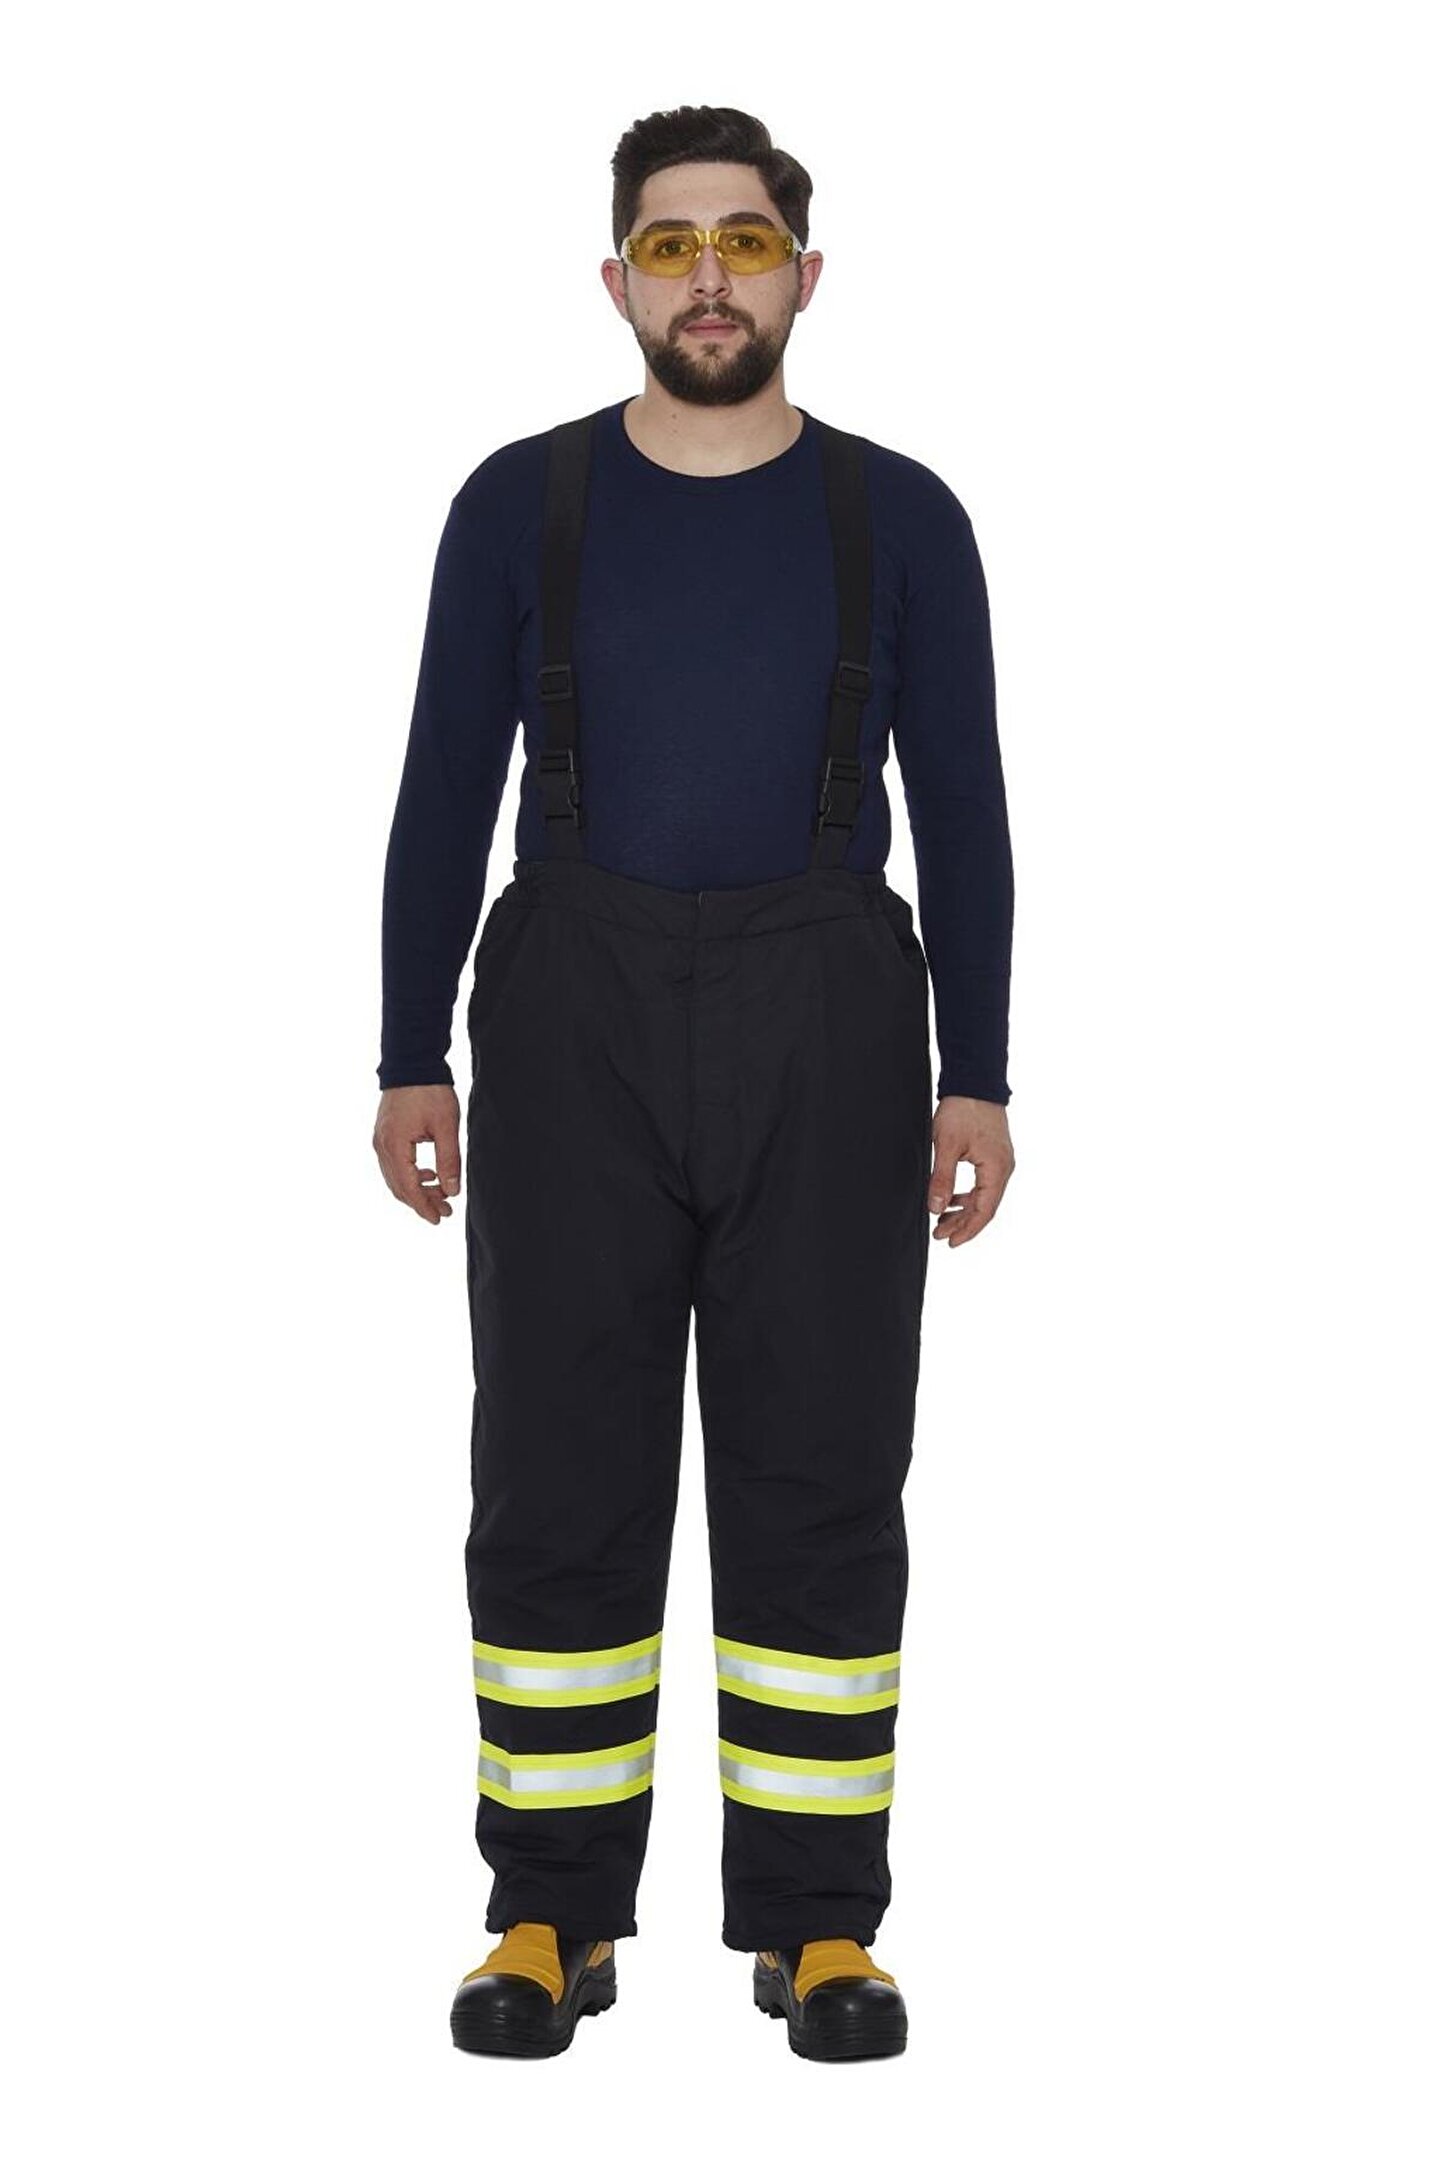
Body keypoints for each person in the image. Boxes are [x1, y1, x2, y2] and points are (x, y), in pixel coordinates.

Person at [373, 103, 1016, 2064]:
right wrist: (407, 1051)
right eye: (672, 245)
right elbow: (441, 788)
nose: (710, 276)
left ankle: (819, 1928)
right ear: (618, 281)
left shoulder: (905, 517)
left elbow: (966, 806)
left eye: (744, 241)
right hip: (567, 1015)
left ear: (806, 275)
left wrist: (980, 1073)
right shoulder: (518, 503)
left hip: (833, 1016)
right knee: (555, 1465)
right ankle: (547, 1912)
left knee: (822, 1464)